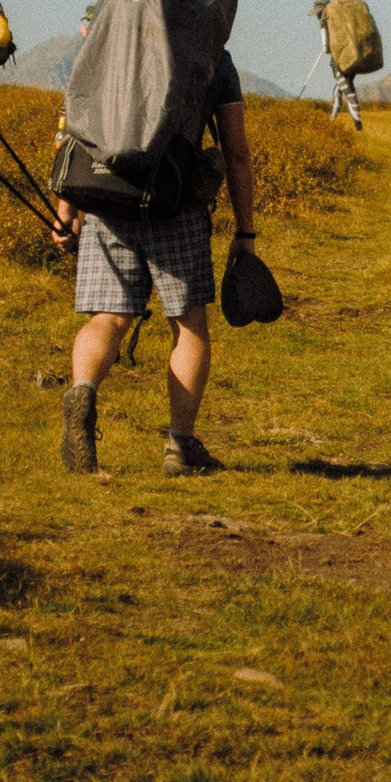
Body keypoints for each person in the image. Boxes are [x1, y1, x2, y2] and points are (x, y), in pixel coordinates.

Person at [49, 46, 259, 478]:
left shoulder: (106, 45)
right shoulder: (211, 55)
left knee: (108, 318)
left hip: (107, 196)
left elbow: (75, 133)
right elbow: (235, 151)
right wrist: (245, 232)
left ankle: (84, 391)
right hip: (175, 203)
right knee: (187, 323)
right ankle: (180, 446)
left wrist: (66, 210)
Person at [311, 0, 364, 130]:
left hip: (339, 62)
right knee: (337, 91)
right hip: (352, 58)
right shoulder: (341, 21)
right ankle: (331, 121)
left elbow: (326, 47)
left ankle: (359, 127)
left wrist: (325, 49)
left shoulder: (325, 22)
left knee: (349, 91)